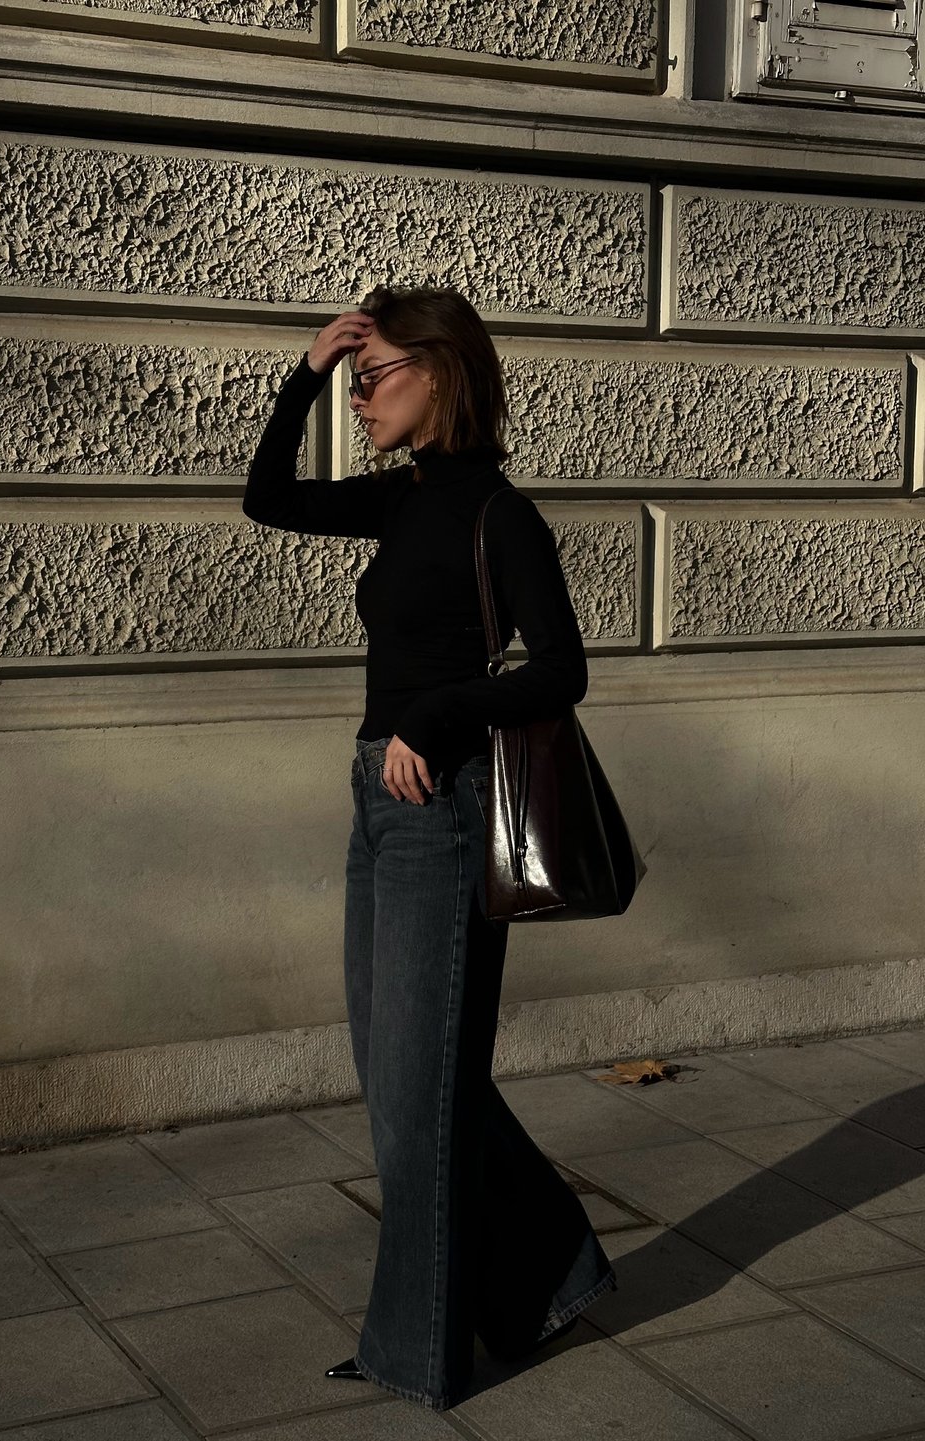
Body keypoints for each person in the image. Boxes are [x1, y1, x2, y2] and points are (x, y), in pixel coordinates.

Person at [242, 285, 617, 1411]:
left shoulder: (497, 510)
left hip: (442, 806)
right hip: (376, 803)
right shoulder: (401, 499)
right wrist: (307, 369)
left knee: (415, 1094)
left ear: (441, 375)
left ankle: (418, 1347)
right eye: (356, 380)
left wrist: (437, 717)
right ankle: (560, 1261)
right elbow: (265, 499)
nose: (362, 393)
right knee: (403, 1078)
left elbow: (559, 667)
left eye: (377, 374)